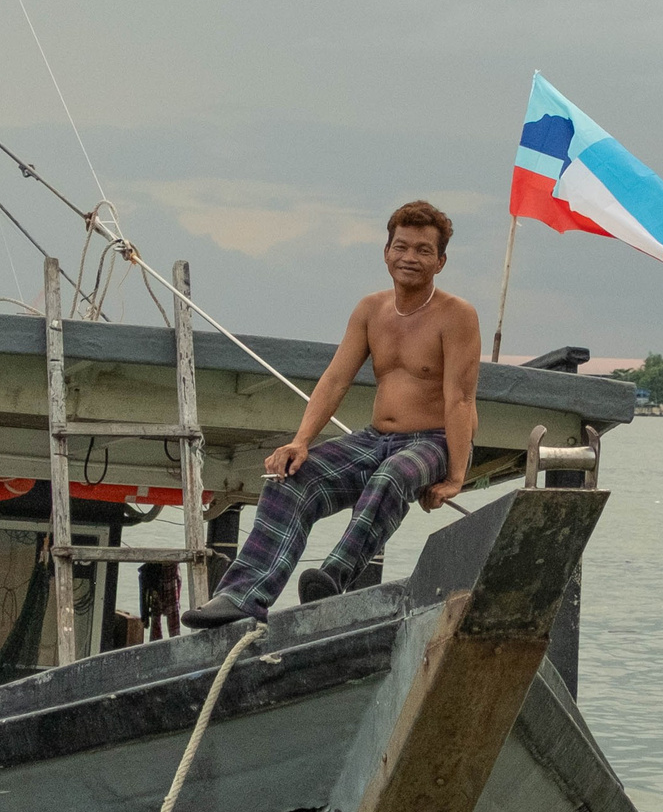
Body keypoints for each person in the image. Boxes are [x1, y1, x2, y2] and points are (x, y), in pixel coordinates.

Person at [182, 200, 479, 628]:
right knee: (290, 479)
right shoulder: (370, 310)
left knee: (391, 476)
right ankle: (242, 596)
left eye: (423, 250)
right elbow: (335, 380)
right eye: (401, 247)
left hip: (431, 440)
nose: (409, 257)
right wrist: (300, 442)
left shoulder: (457, 316)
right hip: (375, 437)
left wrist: (454, 476)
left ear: (441, 261)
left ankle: (332, 576)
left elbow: (460, 400)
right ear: (386, 252)